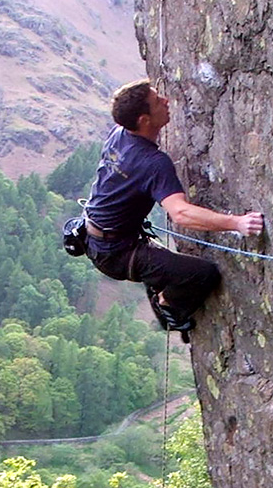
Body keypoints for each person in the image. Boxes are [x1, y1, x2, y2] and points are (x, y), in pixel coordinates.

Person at [83, 79, 263, 341]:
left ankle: (159, 286)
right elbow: (180, 213)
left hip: (96, 236)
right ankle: (167, 305)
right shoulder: (153, 163)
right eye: (158, 101)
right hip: (117, 253)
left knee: (164, 264)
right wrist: (237, 223)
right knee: (202, 274)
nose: (166, 101)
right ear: (144, 120)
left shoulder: (120, 134)